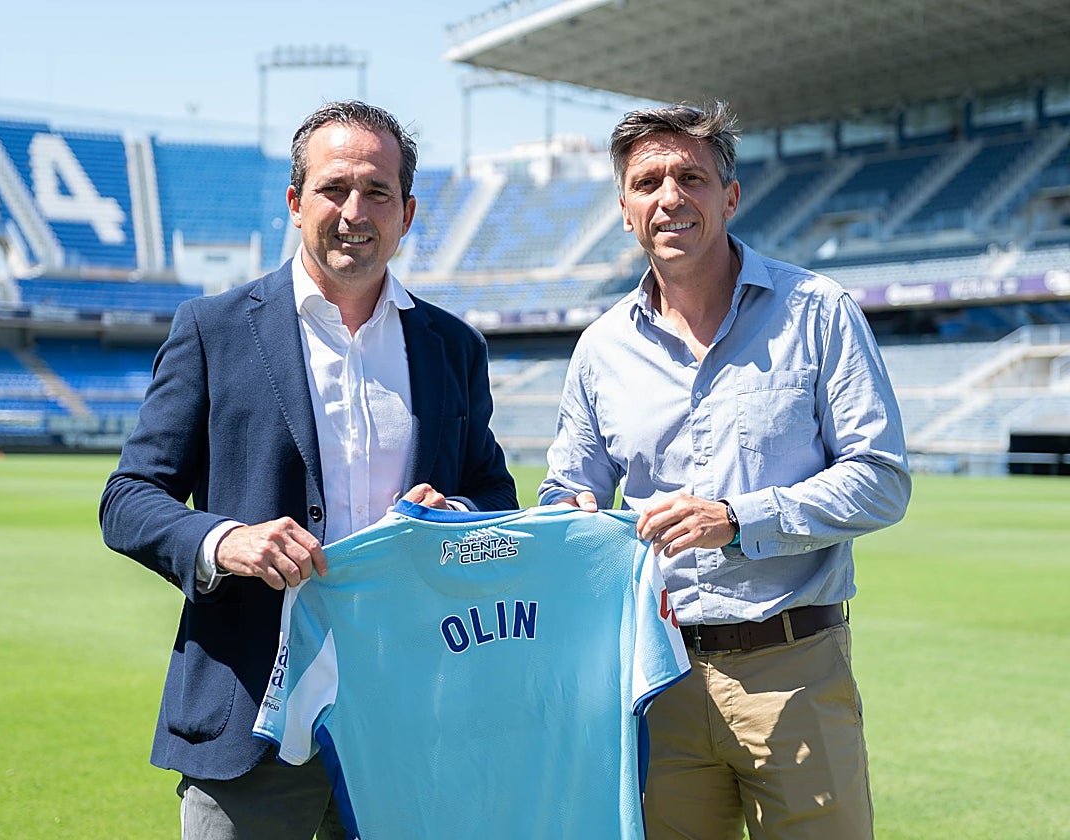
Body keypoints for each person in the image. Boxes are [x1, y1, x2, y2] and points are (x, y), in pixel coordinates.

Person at [100, 100, 517, 840]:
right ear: (295, 203)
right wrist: (224, 541)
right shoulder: (213, 329)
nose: (354, 211)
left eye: (377, 193)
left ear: (407, 212)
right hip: (251, 725)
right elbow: (129, 498)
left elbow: (494, 495)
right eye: (333, 189)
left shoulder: (454, 346)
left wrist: (455, 515)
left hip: (412, 719)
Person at [538, 101, 910, 839]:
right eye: (648, 182)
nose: (669, 197)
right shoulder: (601, 348)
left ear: (729, 197)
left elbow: (881, 476)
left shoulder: (819, 312)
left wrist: (738, 521)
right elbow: (565, 489)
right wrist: (571, 515)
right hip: (656, 676)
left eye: (690, 177)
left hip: (794, 669)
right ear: (624, 210)